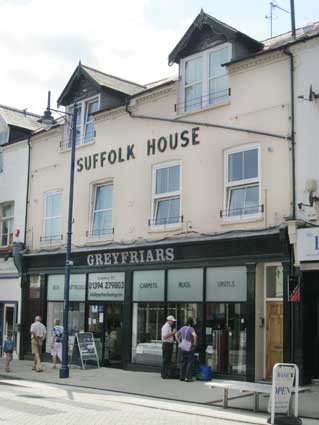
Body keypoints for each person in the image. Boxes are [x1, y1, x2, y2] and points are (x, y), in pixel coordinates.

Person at [176, 317, 198, 382]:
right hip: (189, 347)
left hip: (183, 347)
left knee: (183, 362)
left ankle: (181, 377)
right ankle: (188, 378)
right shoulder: (191, 329)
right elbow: (195, 336)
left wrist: (179, 342)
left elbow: (176, 335)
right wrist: (194, 343)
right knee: (189, 362)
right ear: (191, 323)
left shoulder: (182, 328)